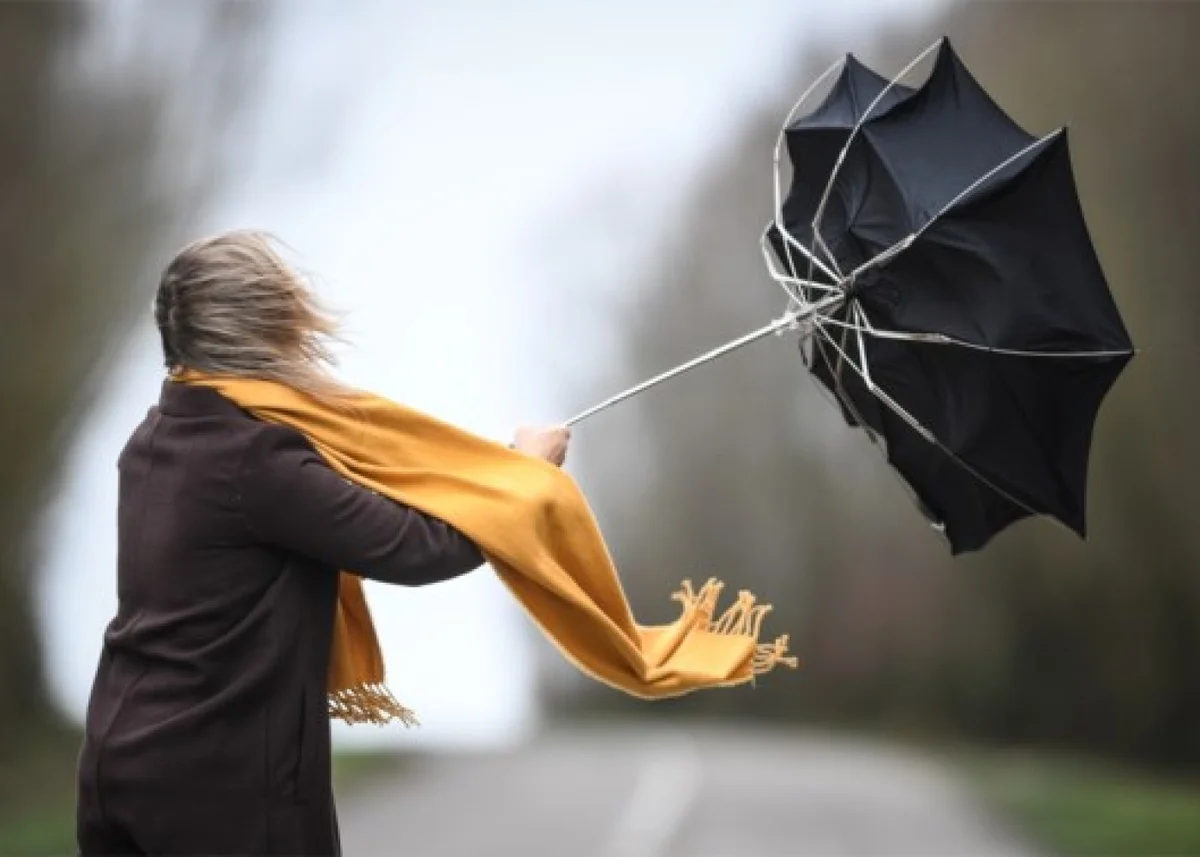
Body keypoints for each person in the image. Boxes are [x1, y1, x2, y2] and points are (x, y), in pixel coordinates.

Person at [75, 230, 570, 856]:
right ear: (263, 332)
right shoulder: (255, 458)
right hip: (218, 791)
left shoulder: (152, 440)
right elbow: (419, 547)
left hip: (118, 765)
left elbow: (353, 511)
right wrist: (527, 476)